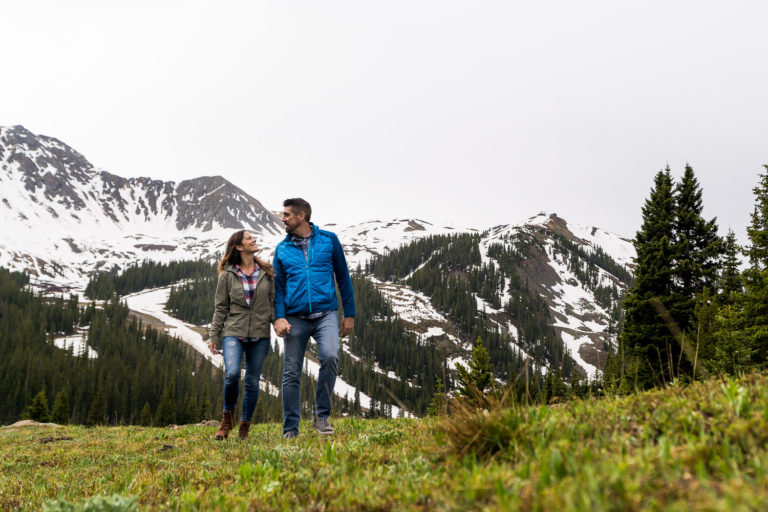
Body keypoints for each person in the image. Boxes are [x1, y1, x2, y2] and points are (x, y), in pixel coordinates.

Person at [273, 198, 355, 439]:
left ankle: (321, 418)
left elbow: (343, 276)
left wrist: (349, 314)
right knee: (291, 372)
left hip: (325, 314)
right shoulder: (282, 249)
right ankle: (290, 429)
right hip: (295, 317)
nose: (283, 219)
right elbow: (278, 288)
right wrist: (279, 317)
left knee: (329, 356)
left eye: (287, 215)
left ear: (301, 216)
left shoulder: (329, 240)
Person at [208, 230, 275, 440]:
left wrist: (278, 322)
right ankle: (226, 421)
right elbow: (221, 308)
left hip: (260, 335)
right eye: (249, 238)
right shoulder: (227, 275)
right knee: (232, 374)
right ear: (238, 246)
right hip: (233, 332)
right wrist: (214, 335)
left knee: (252, 382)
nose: (254, 240)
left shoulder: (266, 272)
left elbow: (273, 303)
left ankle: (244, 427)